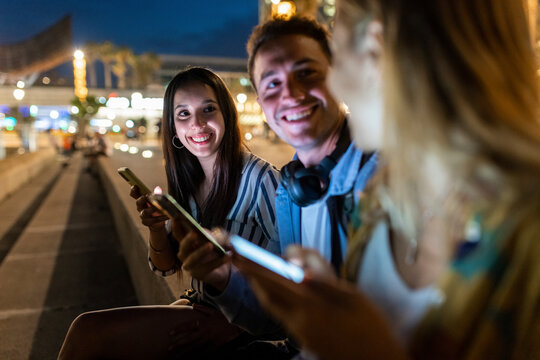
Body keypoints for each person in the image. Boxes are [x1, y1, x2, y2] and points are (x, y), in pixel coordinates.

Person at [233, 0, 540, 359]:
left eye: (338, 59)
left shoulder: (527, 233)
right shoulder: (383, 200)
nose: (337, 87)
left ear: (377, 49)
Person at [173, 16, 377, 346]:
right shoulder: (290, 192)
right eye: (271, 84)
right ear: (261, 106)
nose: (291, 94)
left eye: (306, 72)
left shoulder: (381, 177)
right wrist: (221, 279)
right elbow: (278, 320)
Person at [58, 67, 280, 359]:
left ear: (226, 113)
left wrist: (236, 327)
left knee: (87, 332)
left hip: (242, 322)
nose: (197, 124)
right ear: (173, 126)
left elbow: (298, 278)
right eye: (183, 114)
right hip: (200, 306)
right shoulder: (188, 182)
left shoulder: (261, 180)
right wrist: (155, 226)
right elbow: (166, 267)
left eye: (208, 109)